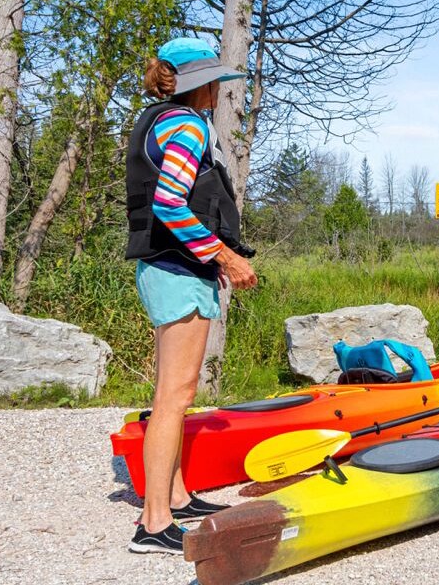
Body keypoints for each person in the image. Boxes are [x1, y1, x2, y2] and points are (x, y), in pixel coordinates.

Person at [125, 37, 258, 553]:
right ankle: (153, 522)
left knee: (176, 393)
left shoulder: (159, 119)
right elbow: (170, 204)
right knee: (174, 396)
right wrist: (225, 257)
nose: (219, 92)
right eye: (215, 82)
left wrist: (210, 260)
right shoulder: (184, 125)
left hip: (173, 268)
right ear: (198, 84)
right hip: (175, 270)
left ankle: (177, 497)